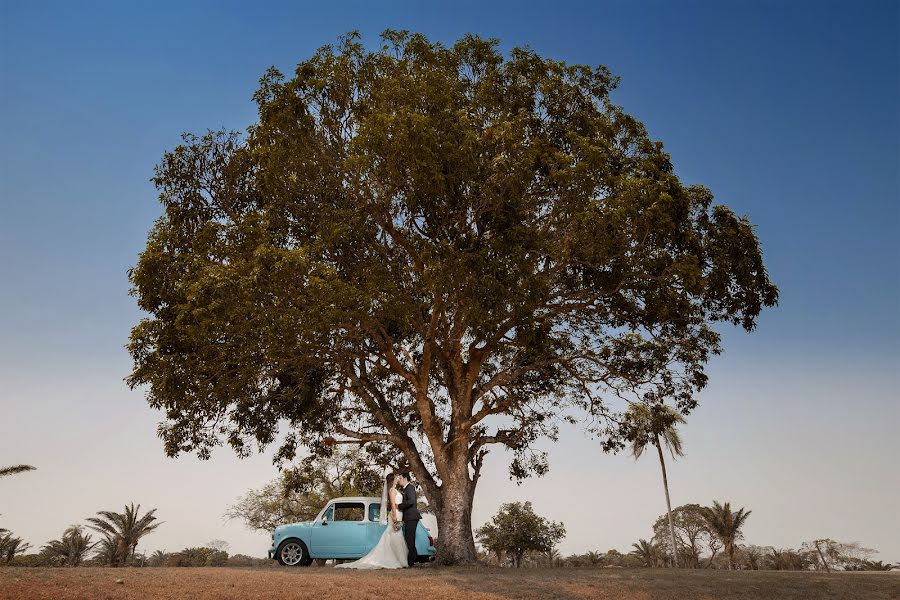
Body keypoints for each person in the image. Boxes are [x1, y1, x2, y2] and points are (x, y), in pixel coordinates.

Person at [334, 473, 408, 569]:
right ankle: (399, 560)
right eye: (396, 478)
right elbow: (393, 504)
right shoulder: (392, 490)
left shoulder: (395, 490)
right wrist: (394, 515)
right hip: (396, 514)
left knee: (394, 535)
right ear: (392, 480)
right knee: (395, 535)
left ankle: (398, 559)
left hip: (399, 513)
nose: (398, 479)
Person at [396, 471, 422, 567]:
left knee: (409, 539)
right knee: (409, 539)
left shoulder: (410, 487)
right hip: (408, 518)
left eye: (400, 478)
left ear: (405, 478)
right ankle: (412, 560)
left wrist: (399, 506)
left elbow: (411, 501)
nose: (399, 480)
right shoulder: (406, 489)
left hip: (412, 517)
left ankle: (411, 562)